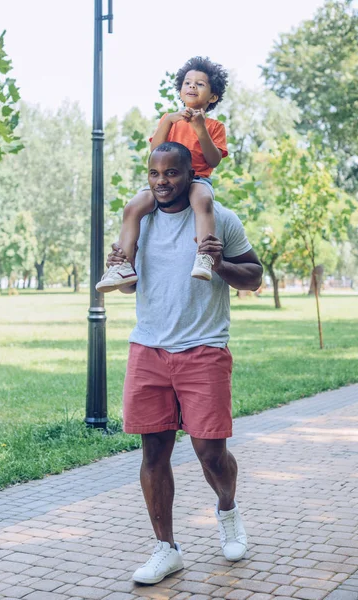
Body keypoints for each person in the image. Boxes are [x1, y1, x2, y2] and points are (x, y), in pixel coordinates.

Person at [106, 141, 263, 585]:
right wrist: (119, 265)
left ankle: (228, 511)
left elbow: (254, 275)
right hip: (149, 348)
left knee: (209, 452)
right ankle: (165, 548)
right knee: (154, 452)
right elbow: (126, 287)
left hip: (203, 348)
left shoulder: (218, 218)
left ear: (189, 175)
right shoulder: (141, 220)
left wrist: (219, 264)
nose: (162, 182)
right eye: (154, 174)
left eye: (171, 174)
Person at [96, 56, 229, 292]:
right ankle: (123, 265)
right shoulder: (170, 120)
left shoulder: (215, 127)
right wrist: (167, 121)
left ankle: (204, 255)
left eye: (200, 84)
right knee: (133, 206)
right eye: (187, 83)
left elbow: (213, 160)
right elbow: (155, 151)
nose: (192, 87)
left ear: (213, 97)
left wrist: (200, 128)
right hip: (164, 181)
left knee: (203, 201)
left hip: (197, 179)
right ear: (180, 90)